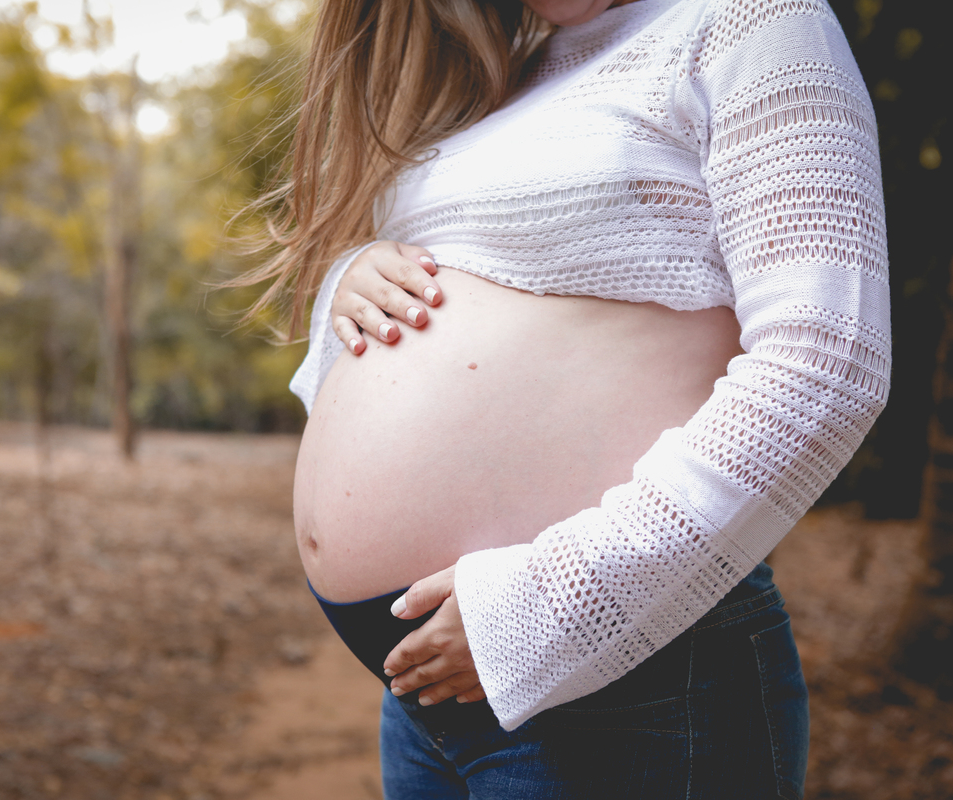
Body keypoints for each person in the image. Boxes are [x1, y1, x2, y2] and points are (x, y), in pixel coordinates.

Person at [245, 0, 890, 796]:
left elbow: (827, 361)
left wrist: (551, 608)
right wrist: (353, 280)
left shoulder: (751, 19)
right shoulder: (498, 67)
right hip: (426, 701)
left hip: (632, 684)